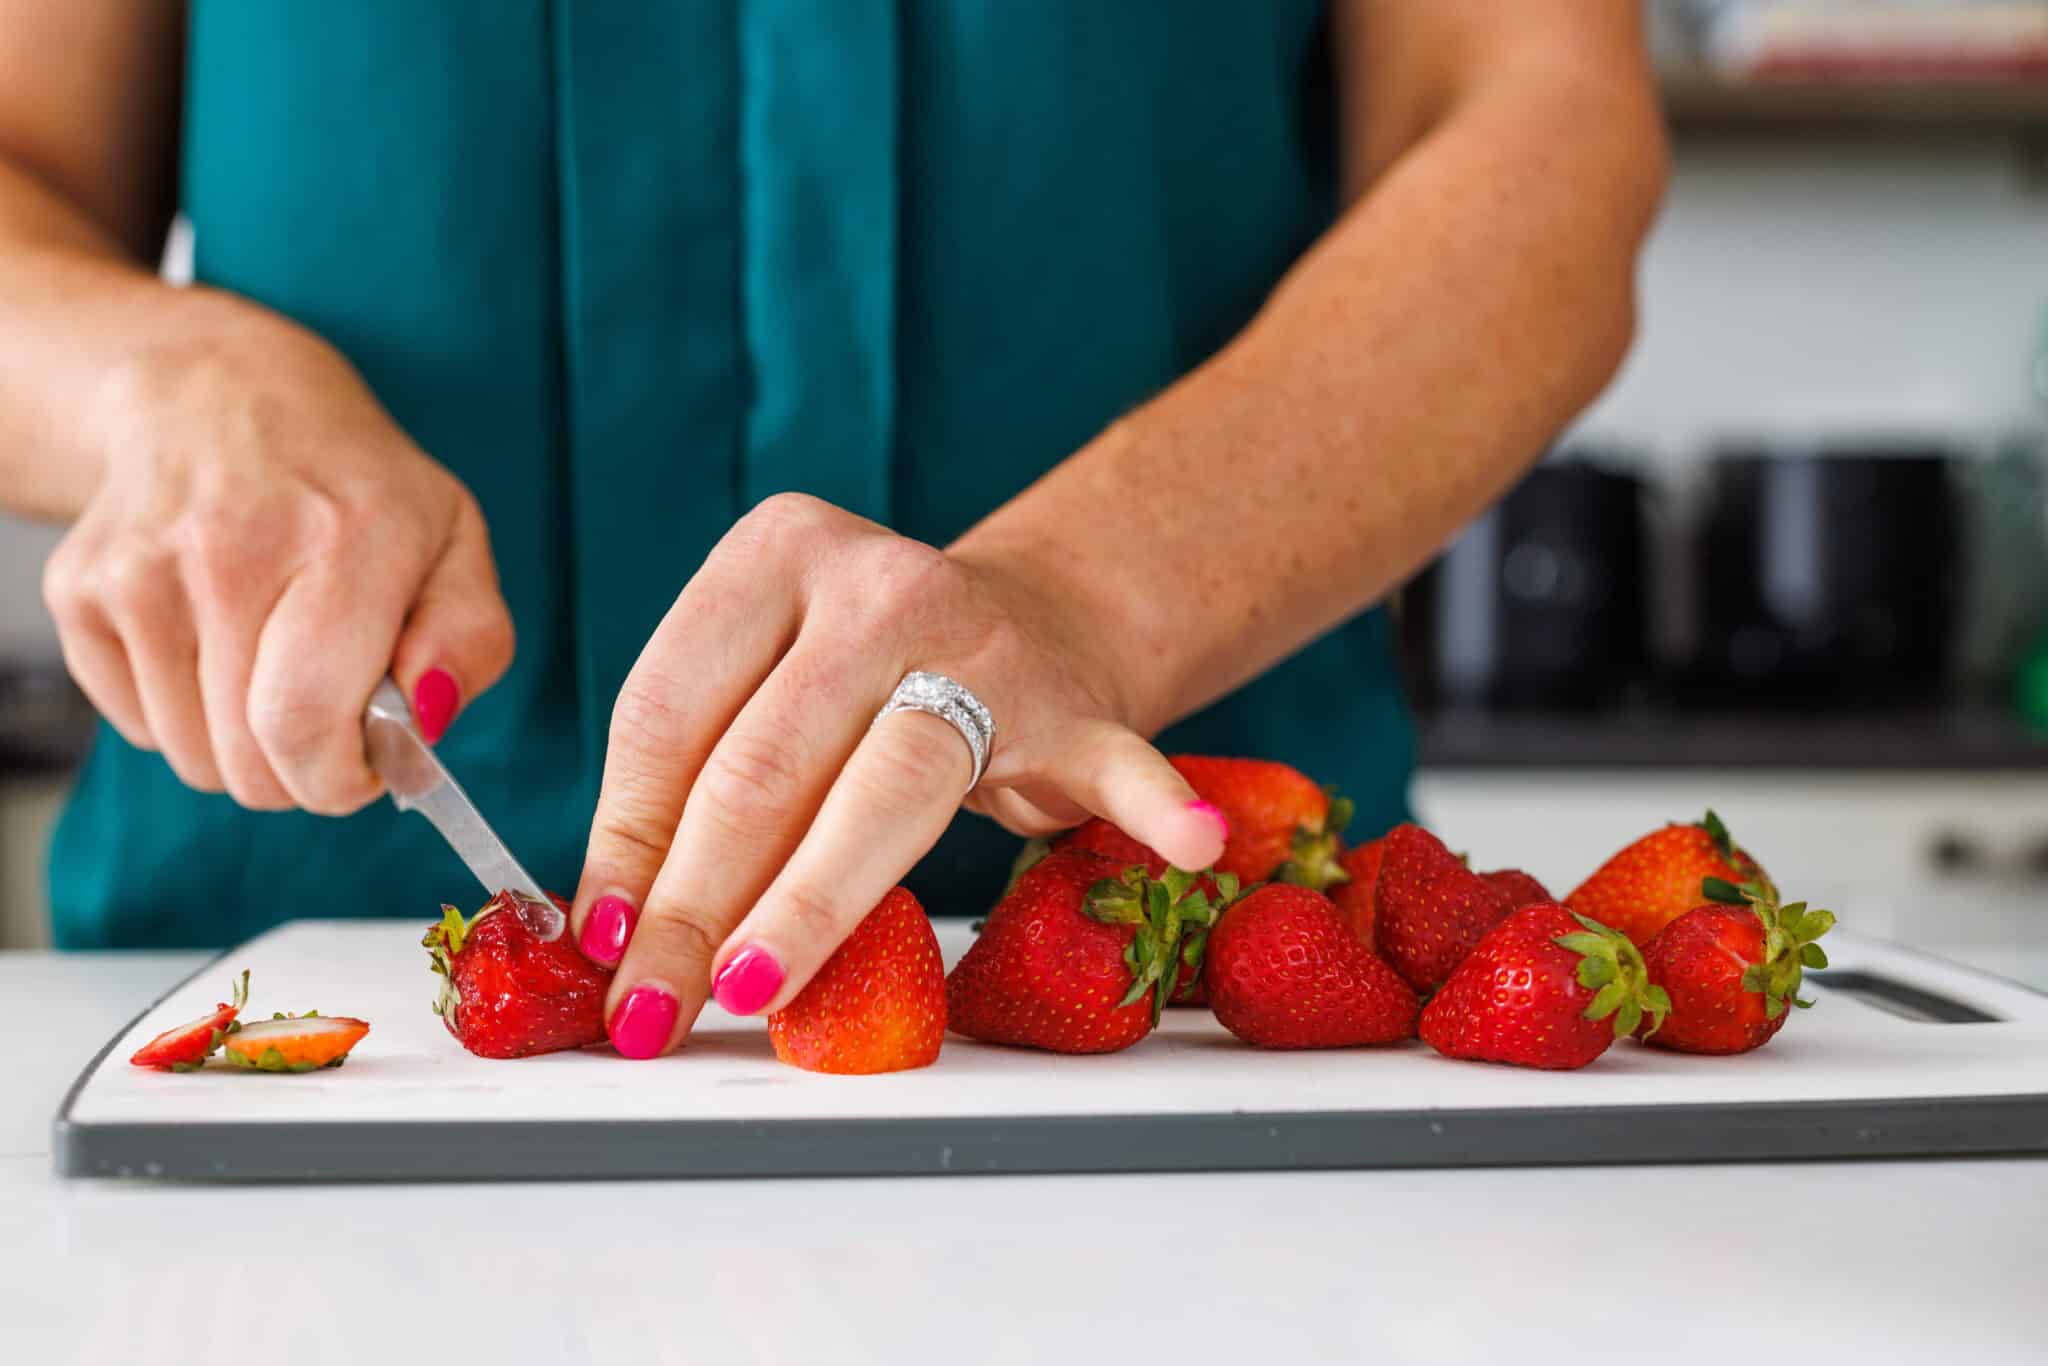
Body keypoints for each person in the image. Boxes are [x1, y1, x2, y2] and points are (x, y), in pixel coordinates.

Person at [0, 2, 1665, 1058]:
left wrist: (1080, 594)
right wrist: (166, 384)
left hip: (1193, 1003)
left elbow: (1544, 130)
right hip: (296, 1001)